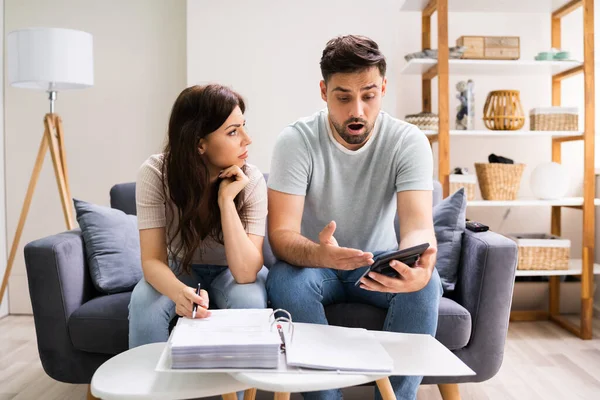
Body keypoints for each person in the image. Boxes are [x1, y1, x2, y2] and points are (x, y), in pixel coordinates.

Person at [265, 35, 442, 400]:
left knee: (426, 285)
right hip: (315, 263)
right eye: (343, 97)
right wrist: (320, 254)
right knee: (285, 282)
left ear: (384, 88)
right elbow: (281, 234)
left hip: (376, 262)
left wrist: (420, 262)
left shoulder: (408, 141)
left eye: (369, 95)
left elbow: (418, 226)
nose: (357, 110)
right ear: (323, 91)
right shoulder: (295, 141)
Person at [129, 84, 269, 349]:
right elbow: (152, 261)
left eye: (243, 127)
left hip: (231, 271)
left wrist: (226, 201)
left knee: (249, 300)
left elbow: (246, 272)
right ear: (199, 143)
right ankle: (150, 389)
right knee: (143, 302)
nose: (247, 139)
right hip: (178, 267)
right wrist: (180, 293)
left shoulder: (251, 181)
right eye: (233, 132)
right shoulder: (156, 174)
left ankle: (234, 391)